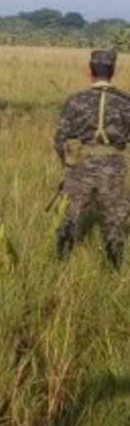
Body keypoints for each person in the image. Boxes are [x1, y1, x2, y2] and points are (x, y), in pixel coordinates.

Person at [53, 49, 130, 269]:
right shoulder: (125, 102)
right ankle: (114, 270)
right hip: (113, 167)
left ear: (90, 71)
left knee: (70, 216)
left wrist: (67, 165)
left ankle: (60, 266)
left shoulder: (76, 101)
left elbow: (60, 139)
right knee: (114, 220)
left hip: (81, 165)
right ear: (112, 71)